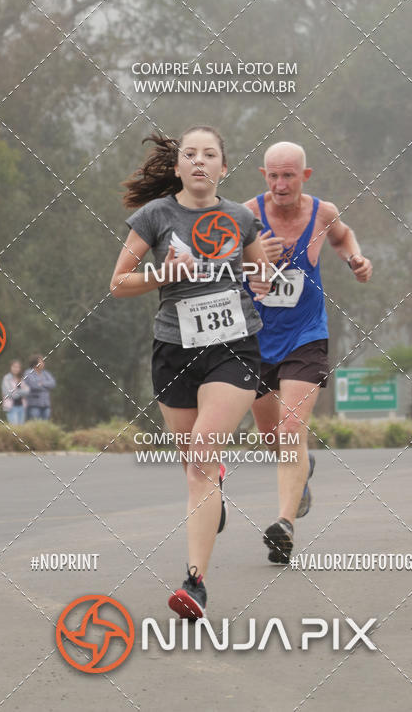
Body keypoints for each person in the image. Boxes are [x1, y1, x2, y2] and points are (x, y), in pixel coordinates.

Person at [110, 125, 271, 619]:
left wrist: (262, 277)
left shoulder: (241, 218)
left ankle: (194, 583)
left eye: (210, 155)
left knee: (200, 458)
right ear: (178, 167)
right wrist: (165, 273)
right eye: (190, 154)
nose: (199, 161)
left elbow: (260, 276)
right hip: (174, 351)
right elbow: (118, 283)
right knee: (196, 469)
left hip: (234, 349)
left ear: (224, 168)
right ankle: (215, 483)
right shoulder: (156, 216)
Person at [245, 141, 373, 563]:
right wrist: (251, 265)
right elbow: (216, 264)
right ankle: (302, 476)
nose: (281, 185)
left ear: (305, 176)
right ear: (264, 176)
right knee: (271, 438)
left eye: (289, 176)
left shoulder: (323, 213)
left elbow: (343, 237)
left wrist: (354, 257)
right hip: (258, 341)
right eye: (274, 176)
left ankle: (284, 525)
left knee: (290, 430)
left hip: (306, 335)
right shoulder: (246, 216)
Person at [23, 354, 56, 421]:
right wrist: (46, 386)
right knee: (34, 426)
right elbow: (33, 385)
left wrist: (42, 383)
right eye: (41, 362)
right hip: (34, 405)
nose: (43, 363)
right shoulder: (28, 373)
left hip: (46, 404)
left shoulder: (46, 373)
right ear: (35, 364)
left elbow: (53, 384)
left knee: (45, 426)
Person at [1, 359, 29, 426]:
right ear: (10, 367)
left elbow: (27, 391)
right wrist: (21, 393)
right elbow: (9, 393)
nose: (16, 369)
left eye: (18, 367)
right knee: (14, 429)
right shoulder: (7, 378)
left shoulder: (21, 378)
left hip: (22, 407)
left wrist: (17, 391)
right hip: (11, 407)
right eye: (14, 367)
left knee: (21, 429)